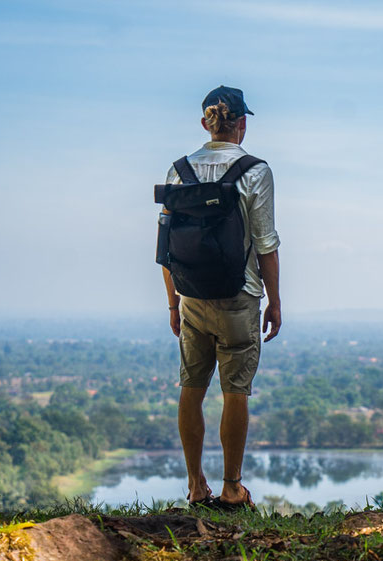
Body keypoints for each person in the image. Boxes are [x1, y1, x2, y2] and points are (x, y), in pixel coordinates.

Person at [160, 85, 281, 509]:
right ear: (242, 124)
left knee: (191, 387)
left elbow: (165, 246)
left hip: (191, 298)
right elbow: (266, 243)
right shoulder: (255, 170)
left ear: (204, 124)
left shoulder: (179, 171)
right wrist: (275, 302)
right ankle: (232, 488)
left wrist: (174, 303)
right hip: (239, 297)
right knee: (236, 391)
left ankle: (196, 485)